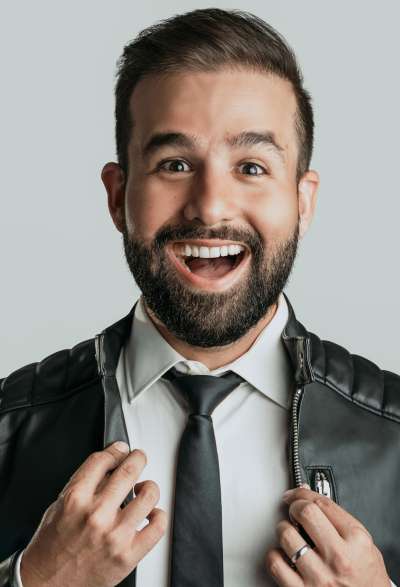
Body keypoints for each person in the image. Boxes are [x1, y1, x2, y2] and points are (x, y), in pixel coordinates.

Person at [0, 7, 398, 587]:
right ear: (118, 196)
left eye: (252, 167)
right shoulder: (8, 430)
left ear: (303, 202)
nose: (210, 206)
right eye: (175, 164)